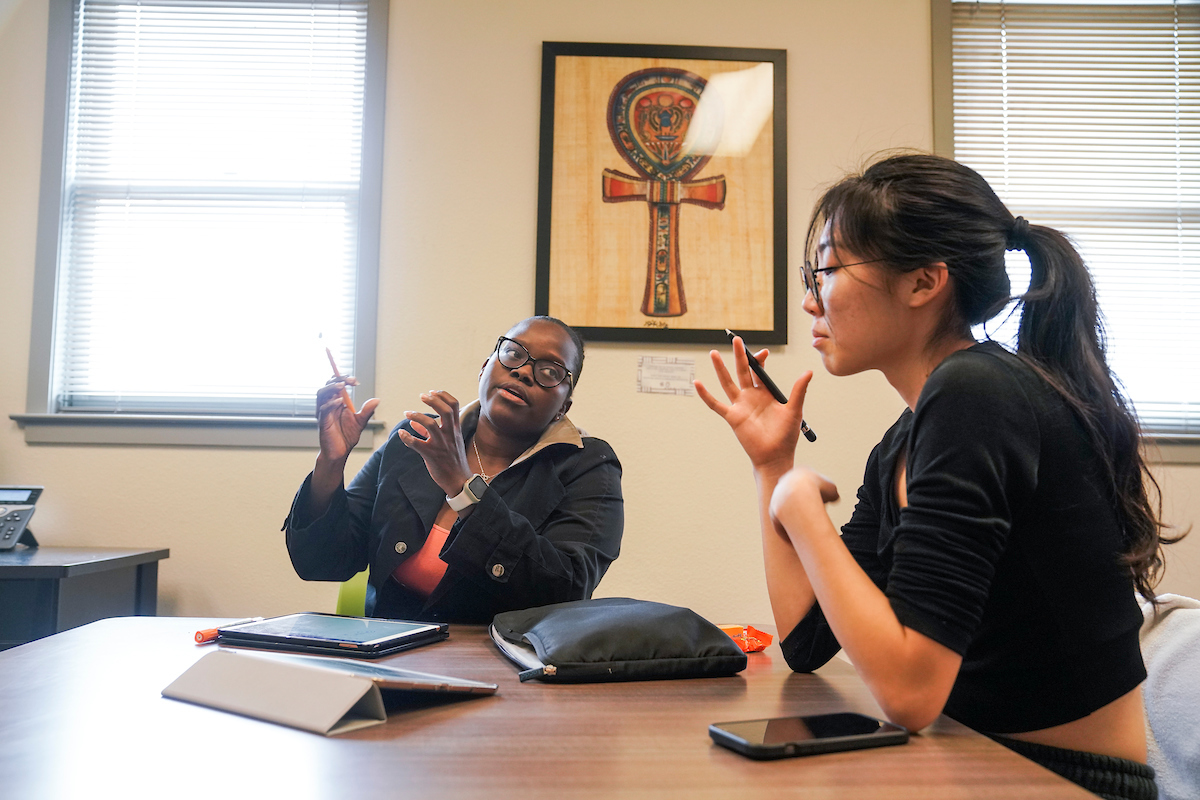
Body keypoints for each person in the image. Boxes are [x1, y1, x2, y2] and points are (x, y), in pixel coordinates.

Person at [697, 154, 1177, 800]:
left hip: (1065, 782)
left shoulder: (976, 393)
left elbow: (910, 694)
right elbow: (808, 640)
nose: (810, 299)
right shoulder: (910, 433)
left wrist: (802, 511)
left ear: (924, 283)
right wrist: (773, 467)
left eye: (828, 270)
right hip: (978, 761)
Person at [285, 316, 624, 624]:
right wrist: (331, 462)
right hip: (388, 652)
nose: (522, 371)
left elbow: (565, 589)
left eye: (550, 372)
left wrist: (464, 489)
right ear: (484, 368)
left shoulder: (589, 465)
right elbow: (323, 561)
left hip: (507, 666)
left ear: (563, 406)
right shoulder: (415, 440)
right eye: (513, 354)